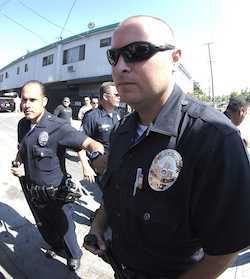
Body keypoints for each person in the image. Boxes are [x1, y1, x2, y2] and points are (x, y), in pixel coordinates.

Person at [83, 16, 250, 279]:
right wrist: (97, 226)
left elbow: (223, 251)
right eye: (114, 57)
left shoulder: (214, 138)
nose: (121, 67)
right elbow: (114, 192)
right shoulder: (121, 130)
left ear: (174, 59)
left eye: (137, 52)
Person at [11, 80, 105, 272]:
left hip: (56, 196)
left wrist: (94, 157)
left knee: (66, 230)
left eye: (32, 100)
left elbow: (91, 144)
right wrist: (18, 163)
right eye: (24, 100)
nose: (27, 105)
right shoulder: (22, 124)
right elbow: (21, 149)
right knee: (45, 227)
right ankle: (56, 246)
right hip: (33, 193)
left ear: (44, 101)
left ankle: (74, 256)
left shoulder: (57, 127)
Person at [81, 81, 120, 184]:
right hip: (101, 165)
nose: (119, 97)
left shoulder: (117, 116)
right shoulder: (92, 117)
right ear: (105, 96)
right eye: (116, 95)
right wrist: (86, 166)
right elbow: (80, 142)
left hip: (116, 164)